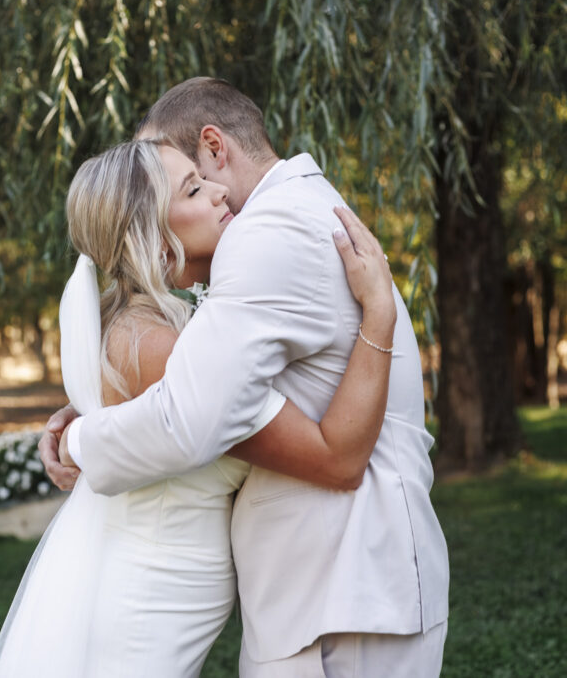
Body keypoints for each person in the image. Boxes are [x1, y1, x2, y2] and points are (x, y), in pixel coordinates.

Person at [44, 78, 450, 677]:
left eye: (194, 176)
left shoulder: (267, 234)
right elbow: (195, 391)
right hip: (320, 595)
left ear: (213, 147)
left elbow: (188, 418)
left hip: (341, 588)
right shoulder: (282, 222)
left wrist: (79, 442)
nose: (209, 193)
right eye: (188, 189)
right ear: (153, 238)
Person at [0, 138, 399, 677]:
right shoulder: (155, 348)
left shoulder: (137, 328)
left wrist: (76, 422)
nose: (221, 190)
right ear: (153, 237)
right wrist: (379, 314)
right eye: (195, 189)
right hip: (142, 614)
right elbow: (336, 458)